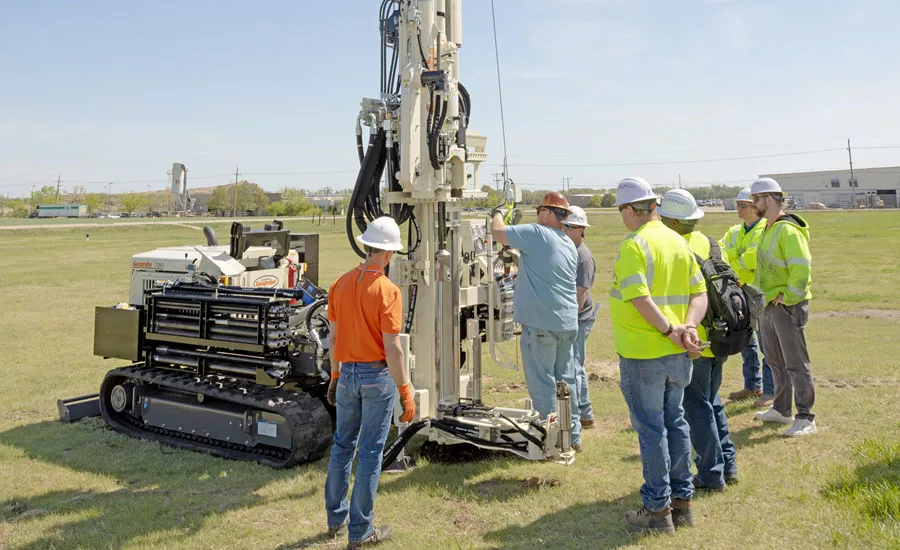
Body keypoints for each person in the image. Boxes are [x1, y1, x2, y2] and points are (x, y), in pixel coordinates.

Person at [610, 177, 707, 534]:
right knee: (676, 423)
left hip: (643, 353)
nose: (622, 217)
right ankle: (682, 505)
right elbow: (700, 294)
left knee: (652, 430)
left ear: (631, 210)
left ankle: (656, 512)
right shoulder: (678, 242)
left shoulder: (635, 245)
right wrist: (689, 328)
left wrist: (669, 330)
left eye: (622, 210)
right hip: (678, 353)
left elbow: (639, 298)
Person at [324, 216, 417, 548]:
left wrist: (335, 376)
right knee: (370, 451)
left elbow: (333, 338)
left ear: (366, 246)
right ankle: (361, 531)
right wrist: (405, 390)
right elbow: (392, 347)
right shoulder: (388, 291)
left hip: (346, 374)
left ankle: (337, 517)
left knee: (342, 446)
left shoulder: (339, 284)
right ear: (389, 254)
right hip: (376, 377)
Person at [658, 189, 738, 491]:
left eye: (665, 218)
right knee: (712, 400)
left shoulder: (675, 247)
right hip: (721, 336)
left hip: (696, 340)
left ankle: (711, 473)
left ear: (675, 221)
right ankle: (728, 464)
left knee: (696, 406)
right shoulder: (712, 244)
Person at [491, 191, 582, 450]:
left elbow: (498, 232)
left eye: (540, 211)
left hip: (541, 324)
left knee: (543, 382)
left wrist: (497, 212)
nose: (538, 216)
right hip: (566, 322)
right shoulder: (566, 242)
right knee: (566, 381)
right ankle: (572, 436)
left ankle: (551, 439)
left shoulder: (537, 233)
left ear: (548, 213)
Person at [750, 178, 817, 437]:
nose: (753, 204)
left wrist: (789, 297)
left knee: (796, 363)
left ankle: (805, 417)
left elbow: (801, 268)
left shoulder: (788, 230)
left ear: (770, 198)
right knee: (775, 361)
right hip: (768, 304)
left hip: (786, 306)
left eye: (756, 199)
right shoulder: (768, 228)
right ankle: (781, 409)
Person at [721, 188, 774, 407]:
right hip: (737, 293)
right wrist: (735, 255)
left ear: (755, 207)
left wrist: (734, 258)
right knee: (746, 341)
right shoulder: (734, 230)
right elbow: (720, 252)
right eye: (738, 205)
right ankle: (753, 385)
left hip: (757, 294)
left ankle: (770, 391)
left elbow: (751, 260)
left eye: (743, 205)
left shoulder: (764, 229)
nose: (739, 209)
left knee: (766, 344)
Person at [561, 205, 599, 428]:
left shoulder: (582, 257)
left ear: (580, 229)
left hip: (579, 317)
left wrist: (570, 320)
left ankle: (585, 413)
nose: (564, 231)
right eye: (564, 226)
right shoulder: (568, 249)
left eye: (568, 227)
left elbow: (581, 293)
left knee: (575, 365)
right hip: (572, 316)